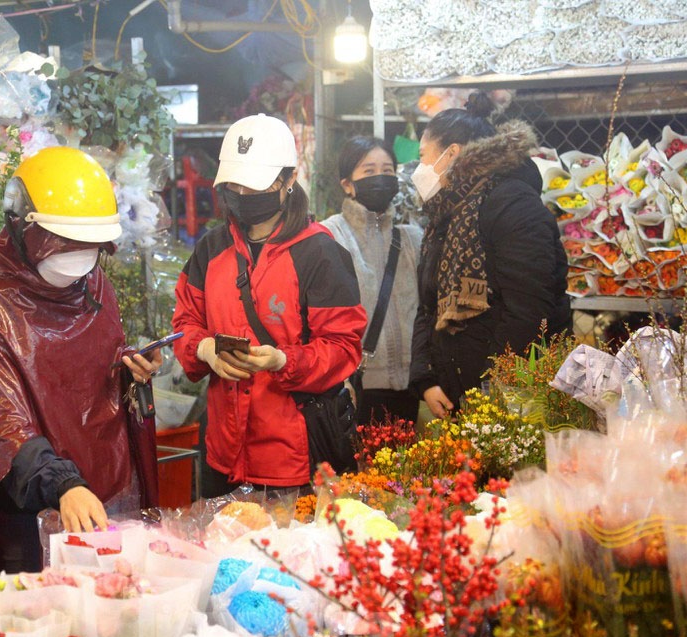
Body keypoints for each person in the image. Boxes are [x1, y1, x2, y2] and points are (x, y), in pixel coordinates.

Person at [0, 147, 163, 594]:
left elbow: (94, 365)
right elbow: (4, 424)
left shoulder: (95, 285)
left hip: (103, 488)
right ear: (23, 228)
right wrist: (63, 484)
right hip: (32, 507)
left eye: (88, 247)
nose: (76, 258)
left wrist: (131, 366)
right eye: (62, 243)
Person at [172, 113, 367, 493]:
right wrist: (205, 349)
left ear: (290, 179)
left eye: (255, 185)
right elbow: (184, 323)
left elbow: (344, 348)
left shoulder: (321, 254)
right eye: (235, 186)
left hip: (294, 460)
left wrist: (284, 361)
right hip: (222, 454)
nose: (243, 196)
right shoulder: (211, 249)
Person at [409, 93, 570, 419]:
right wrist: (426, 378)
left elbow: (528, 311)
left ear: (451, 153)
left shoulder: (513, 205)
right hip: (459, 393)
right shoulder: (446, 212)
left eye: (424, 155)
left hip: (510, 397)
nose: (419, 166)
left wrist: (490, 389)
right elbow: (429, 303)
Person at [321, 136, 424, 425]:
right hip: (357, 385)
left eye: (387, 171)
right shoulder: (330, 236)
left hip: (412, 386)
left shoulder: (412, 238)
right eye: (368, 171)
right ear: (347, 184)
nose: (380, 177)